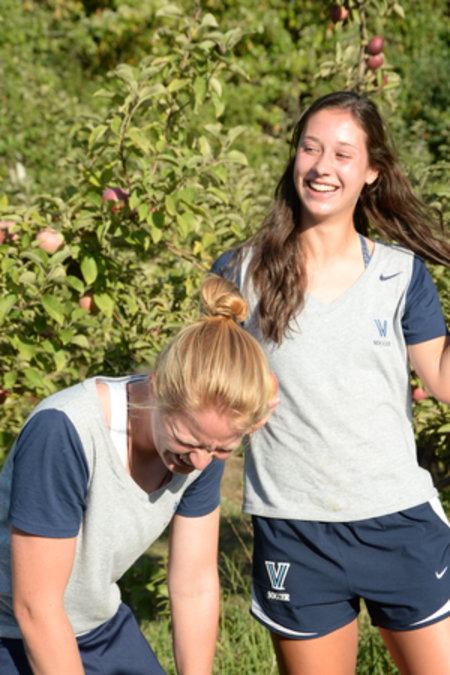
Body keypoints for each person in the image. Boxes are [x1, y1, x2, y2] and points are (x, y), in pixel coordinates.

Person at [212, 91, 450, 674]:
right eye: (311, 149)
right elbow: (210, 388)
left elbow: (443, 381)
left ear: (371, 171)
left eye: (343, 154)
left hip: (400, 522)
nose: (323, 167)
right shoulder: (241, 272)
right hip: (295, 530)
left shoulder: (401, 274)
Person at [0, 274, 278, 675]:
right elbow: (36, 608)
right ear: (157, 388)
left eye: (222, 450)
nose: (202, 462)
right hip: (12, 630)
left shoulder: (205, 440)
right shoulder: (64, 431)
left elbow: (194, 584)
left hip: (96, 625)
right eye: (189, 441)